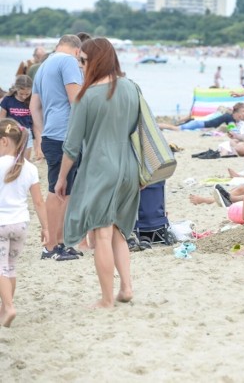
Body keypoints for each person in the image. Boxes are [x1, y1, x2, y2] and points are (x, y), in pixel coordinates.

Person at [54, 37, 140, 308]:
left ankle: (106, 299)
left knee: (100, 233)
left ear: (95, 60)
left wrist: (61, 178)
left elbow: (71, 146)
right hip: (129, 166)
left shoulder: (86, 96)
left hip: (102, 168)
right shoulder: (131, 88)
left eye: (82, 60)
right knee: (118, 231)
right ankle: (125, 288)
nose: (79, 66)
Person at [30, 34, 84, 261]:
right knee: (62, 191)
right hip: (67, 135)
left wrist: (41, 135)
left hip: (51, 134)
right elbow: (76, 100)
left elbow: (35, 107)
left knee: (57, 188)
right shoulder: (69, 61)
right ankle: (55, 244)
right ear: (77, 51)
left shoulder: (43, 66)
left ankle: (54, 244)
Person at [0, 119, 48, 327]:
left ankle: (9, 307)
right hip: (21, 225)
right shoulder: (29, 168)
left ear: (3, 141)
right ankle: (4, 309)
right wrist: (46, 228)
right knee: (10, 267)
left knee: (0, 269)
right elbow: (38, 201)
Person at [0, 75, 34, 160]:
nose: (24, 96)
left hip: (26, 132)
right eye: (21, 93)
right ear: (16, 89)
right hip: (10, 131)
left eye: (27, 94)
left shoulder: (32, 100)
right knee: (9, 159)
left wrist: (37, 140)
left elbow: (35, 120)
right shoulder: (7, 99)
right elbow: (2, 119)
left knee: (25, 161)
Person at [158, 102, 244, 132]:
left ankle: (158, 126)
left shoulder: (227, 116)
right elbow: (232, 129)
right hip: (198, 123)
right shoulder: (229, 118)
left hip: (198, 122)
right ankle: (157, 126)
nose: (239, 119)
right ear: (236, 114)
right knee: (175, 128)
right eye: (239, 117)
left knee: (175, 128)